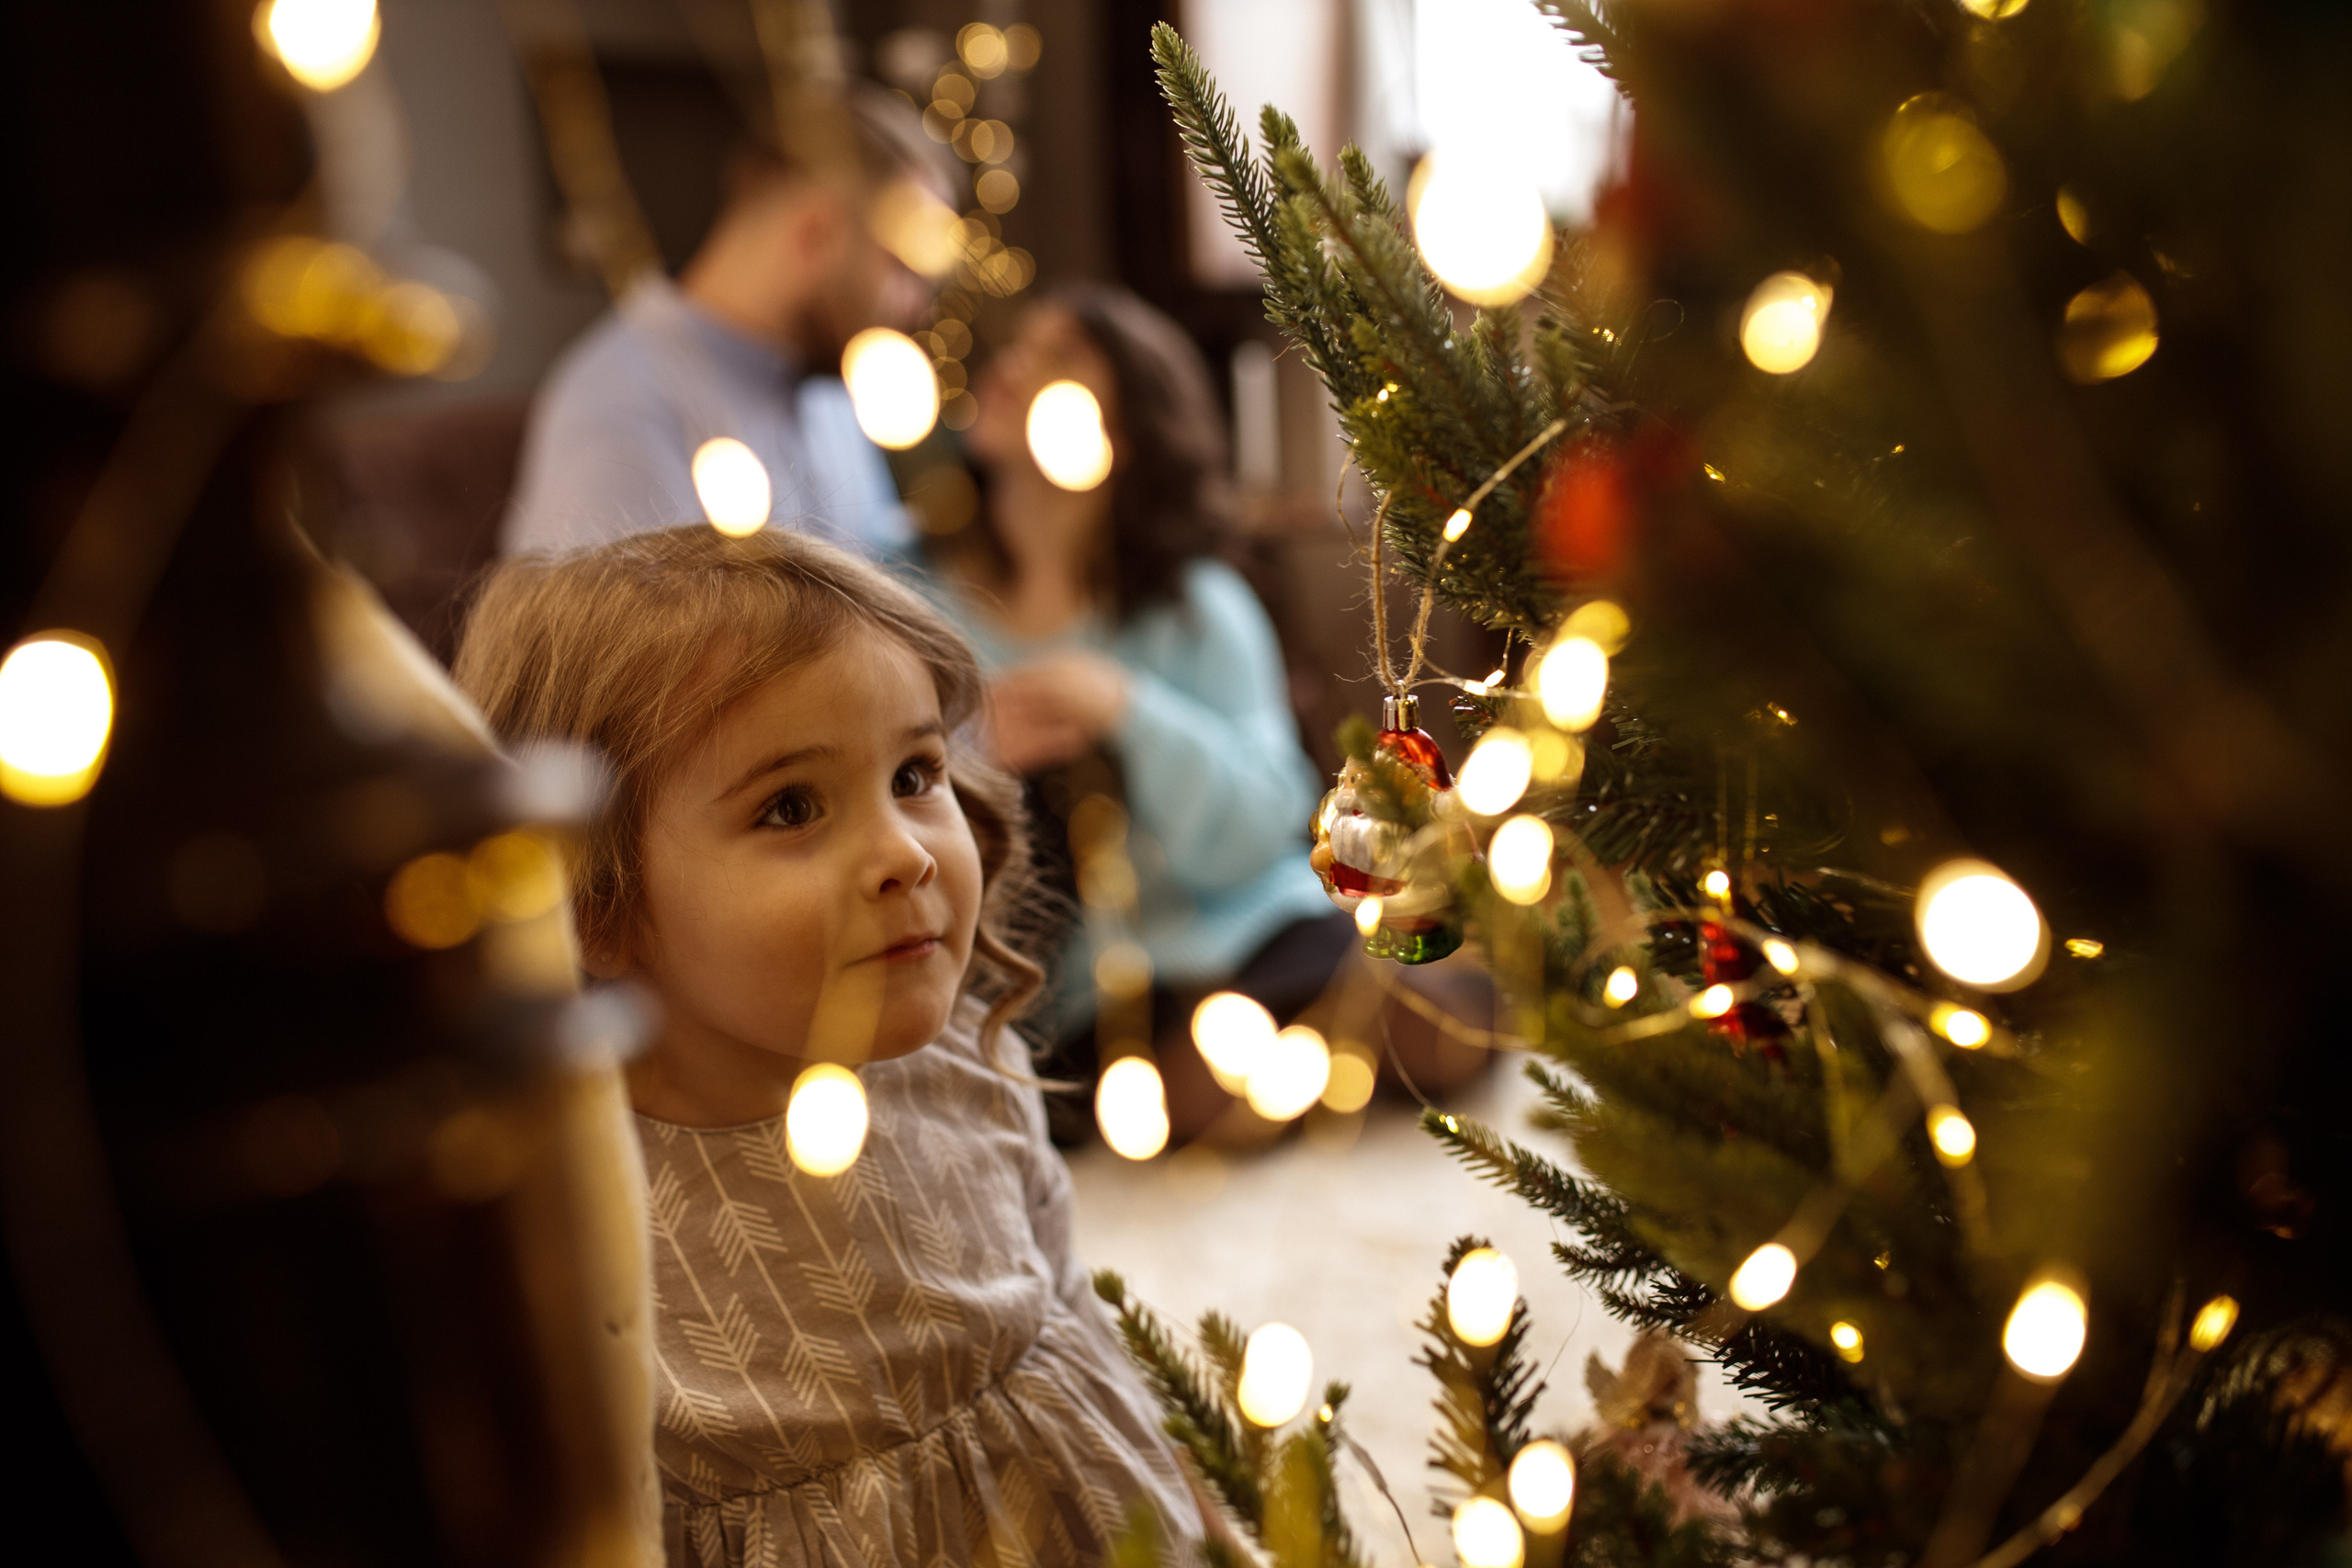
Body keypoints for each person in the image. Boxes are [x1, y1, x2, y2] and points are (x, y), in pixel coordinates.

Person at [451, 527, 1202, 1567]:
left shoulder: (970, 1061)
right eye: (792, 807)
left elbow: (1076, 1321)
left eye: (916, 774)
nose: (904, 853)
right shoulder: (573, 1211)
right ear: (594, 903)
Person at [910, 288, 1393, 1139]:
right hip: (1089, 992)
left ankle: (1305, 1061)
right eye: (1021, 344)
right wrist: (978, 751)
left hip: (1260, 932)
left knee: (1423, 1001)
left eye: (1061, 357)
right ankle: (1286, 1072)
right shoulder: (909, 598)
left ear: (1125, 434)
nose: (1012, 365)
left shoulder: (1198, 606)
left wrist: (1127, 708)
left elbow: (1268, 823)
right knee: (1205, 1066)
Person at [504, 89, 946, 558]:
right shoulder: (623, 406)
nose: (919, 307)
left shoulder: (832, 392)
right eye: (904, 270)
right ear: (816, 234)